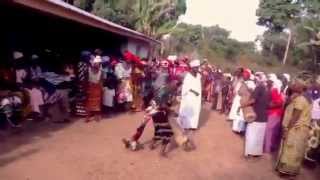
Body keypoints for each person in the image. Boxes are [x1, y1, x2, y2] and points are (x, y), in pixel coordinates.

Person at [276, 79, 312, 176]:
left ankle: (286, 171)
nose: (293, 85)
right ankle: (291, 171)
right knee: (295, 151)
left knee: (290, 151)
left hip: (295, 129)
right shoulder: (303, 98)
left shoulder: (300, 100)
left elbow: (295, 116)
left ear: (300, 87)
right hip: (300, 130)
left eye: (295, 84)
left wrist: (287, 129)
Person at [241, 73, 269, 157]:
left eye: (256, 79)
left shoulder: (259, 87)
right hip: (264, 117)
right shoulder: (266, 89)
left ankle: (249, 152)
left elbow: (252, 100)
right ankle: (256, 153)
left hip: (256, 116)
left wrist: (242, 105)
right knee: (259, 136)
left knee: (251, 134)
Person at [178, 59, 202, 130]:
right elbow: (186, 87)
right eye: (196, 67)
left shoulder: (198, 76)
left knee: (196, 110)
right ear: (192, 68)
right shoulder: (188, 76)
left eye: (198, 67)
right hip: (189, 96)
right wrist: (194, 92)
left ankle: (193, 125)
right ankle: (185, 125)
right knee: (187, 110)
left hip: (197, 97)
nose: (197, 69)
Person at [264, 74, 284, 153]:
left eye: (270, 81)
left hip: (274, 113)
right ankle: (268, 148)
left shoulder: (274, 90)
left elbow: (279, 103)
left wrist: (268, 105)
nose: (268, 82)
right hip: (275, 114)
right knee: (271, 132)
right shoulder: (275, 90)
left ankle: (267, 149)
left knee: (269, 131)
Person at [305, 82, 320, 163]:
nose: (317, 85)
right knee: (307, 138)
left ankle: (310, 160)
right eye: (316, 83)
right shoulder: (310, 93)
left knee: (314, 141)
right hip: (309, 119)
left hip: (317, 122)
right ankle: (304, 156)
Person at [86, 56, 103, 122]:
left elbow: (101, 81)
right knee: (89, 102)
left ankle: (97, 116)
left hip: (97, 87)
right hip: (90, 87)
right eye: (96, 63)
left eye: (98, 64)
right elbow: (86, 80)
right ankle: (88, 116)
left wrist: (101, 89)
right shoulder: (89, 70)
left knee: (97, 103)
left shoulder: (100, 72)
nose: (97, 65)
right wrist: (87, 88)